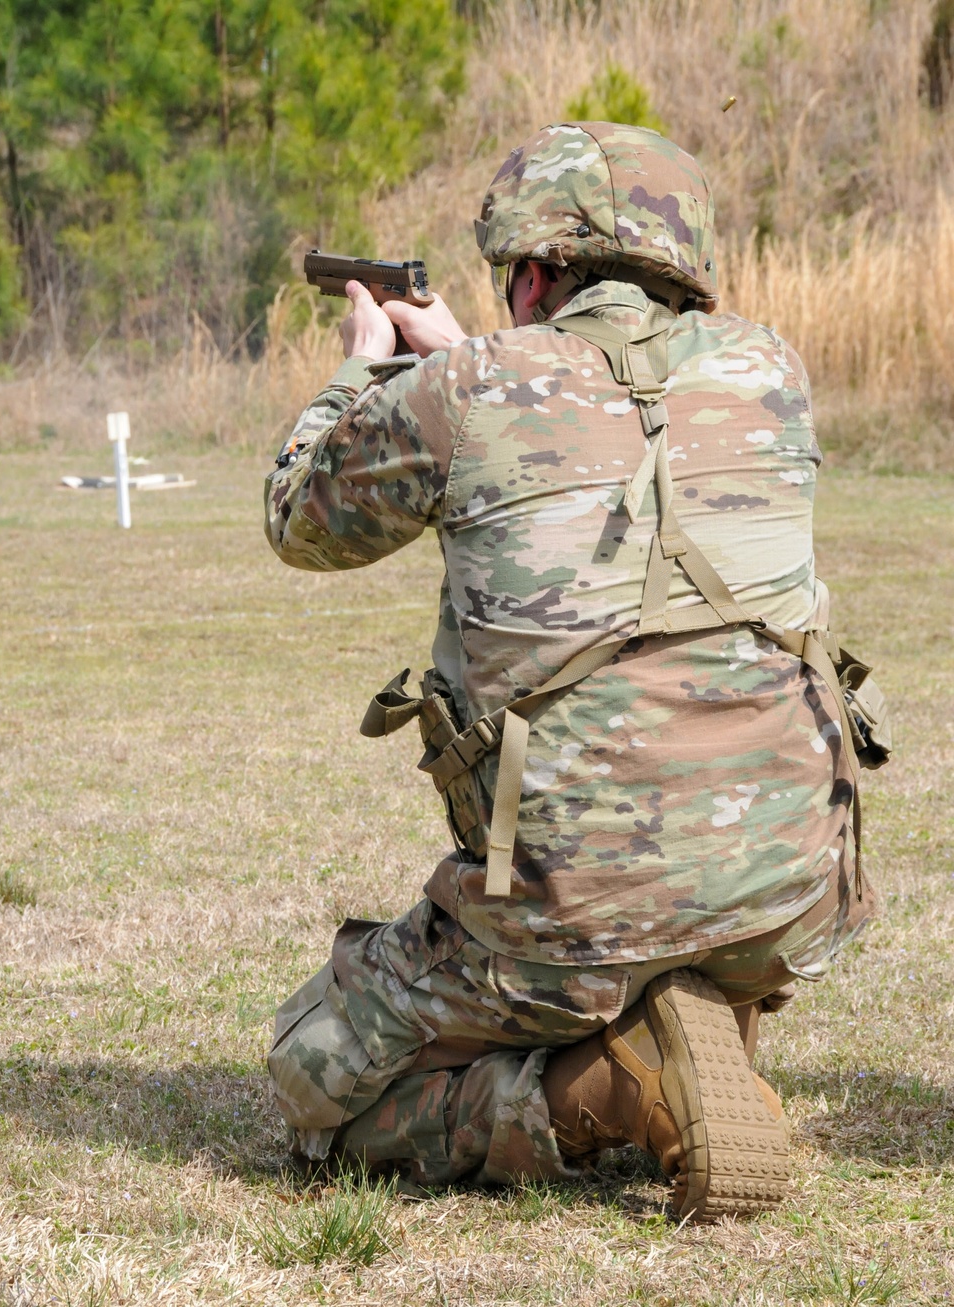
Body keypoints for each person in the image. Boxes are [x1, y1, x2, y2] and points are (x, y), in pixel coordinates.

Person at [262, 122, 881, 1222]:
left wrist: (365, 366)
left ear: (533, 273)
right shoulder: (770, 369)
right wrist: (469, 358)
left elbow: (302, 520)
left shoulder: (468, 390)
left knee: (312, 1074)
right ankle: (693, 996)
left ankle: (604, 1087)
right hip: (786, 889)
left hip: (567, 911)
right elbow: (592, 413)